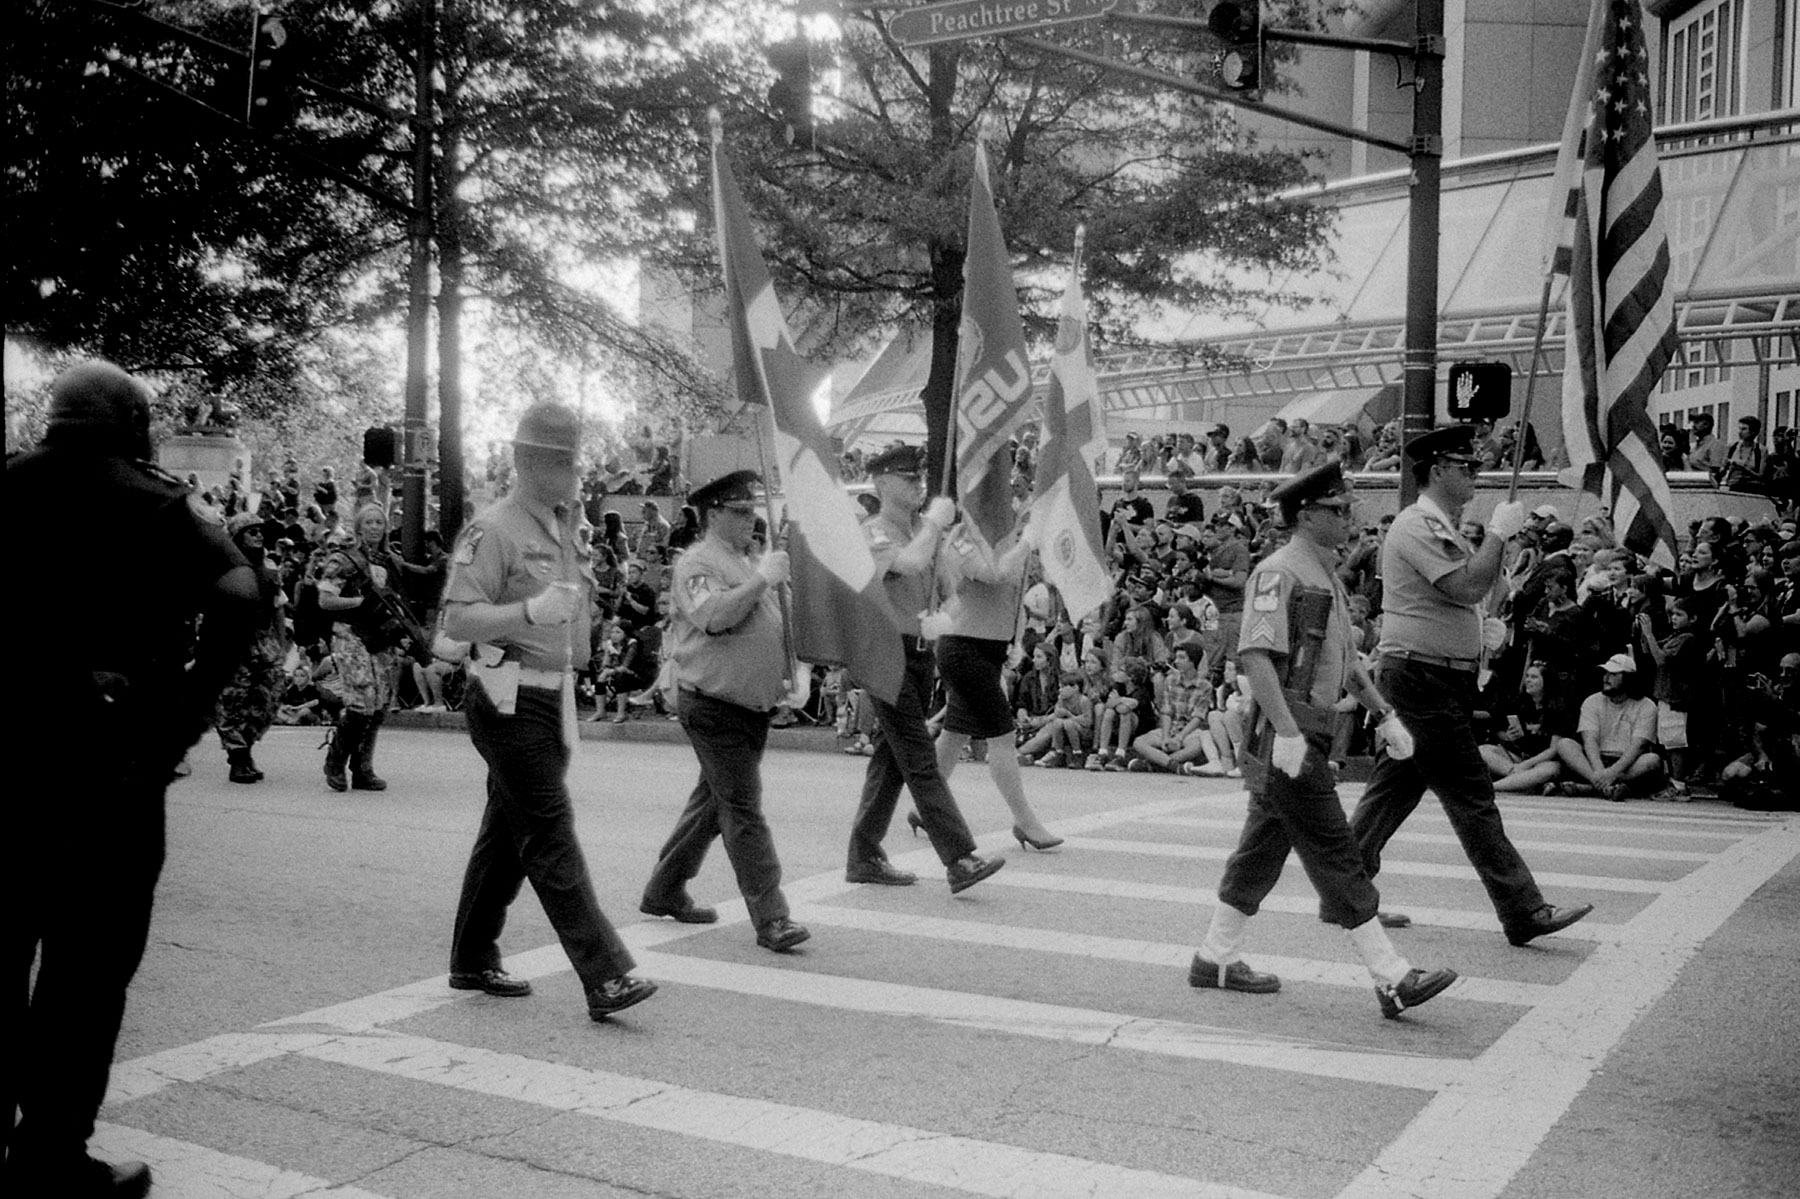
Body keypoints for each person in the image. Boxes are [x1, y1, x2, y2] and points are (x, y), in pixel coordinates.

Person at [8, 361, 257, 1198]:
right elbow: (240, 590)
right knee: (87, 972)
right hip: (109, 770)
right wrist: (185, 711)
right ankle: (48, 1156)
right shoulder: (156, 504)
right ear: (134, 425)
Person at [1190, 461, 1458, 1019]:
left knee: (1261, 849)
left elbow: (1348, 663)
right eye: (1338, 510)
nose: (1349, 518)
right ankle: (1391, 977)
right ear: (1307, 515)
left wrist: (1384, 715)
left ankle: (1214, 957)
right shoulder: (1278, 572)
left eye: (1348, 508)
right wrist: (1286, 732)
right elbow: (1255, 656)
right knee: (1336, 849)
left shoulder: (1327, 575)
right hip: (1288, 735)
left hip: (1309, 731)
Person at [442, 403, 657, 1022]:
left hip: (550, 696)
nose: (569, 472)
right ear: (524, 460)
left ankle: (472, 955)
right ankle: (605, 974)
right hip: (505, 694)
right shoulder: (494, 529)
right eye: (556, 460)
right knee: (549, 831)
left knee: (508, 835)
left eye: (571, 459)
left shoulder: (564, 530)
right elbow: (458, 618)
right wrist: (528, 613)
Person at [1349, 425, 1595, 947]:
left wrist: (1500, 561)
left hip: (1435, 676)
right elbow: (1464, 585)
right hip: (1421, 676)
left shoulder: (1446, 527)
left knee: (1395, 789)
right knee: (1470, 793)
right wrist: (1501, 537)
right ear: (1437, 470)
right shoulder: (1418, 524)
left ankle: (1344, 888)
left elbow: (1482, 591)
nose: (1476, 475)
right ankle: (1523, 909)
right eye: (1467, 466)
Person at [639, 471, 809, 952]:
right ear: (713, 514)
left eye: (751, 509)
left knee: (714, 804)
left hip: (749, 705)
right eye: (739, 511)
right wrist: (761, 581)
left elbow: (778, 626)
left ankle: (664, 889)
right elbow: (713, 616)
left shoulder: (748, 559)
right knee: (742, 808)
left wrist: (795, 673)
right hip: (713, 703)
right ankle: (771, 917)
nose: (751, 518)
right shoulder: (698, 562)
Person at [846, 444, 1005, 893]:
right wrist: (935, 523)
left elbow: (954, 592)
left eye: (919, 477)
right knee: (919, 758)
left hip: (919, 653)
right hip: (884, 653)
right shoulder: (873, 531)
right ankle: (959, 857)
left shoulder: (924, 531)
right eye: (906, 478)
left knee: (891, 761)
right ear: (879, 484)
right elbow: (908, 562)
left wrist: (945, 619)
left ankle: (863, 855)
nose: (917, 484)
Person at [927, 489, 1063, 851]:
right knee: (1001, 736)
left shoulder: (1005, 545)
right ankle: (1026, 822)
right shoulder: (959, 543)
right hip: (963, 647)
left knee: (954, 733)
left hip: (989, 649)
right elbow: (993, 575)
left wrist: (1015, 641)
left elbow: (1014, 599)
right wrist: (1024, 545)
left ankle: (928, 808)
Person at [314, 504, 405, 792]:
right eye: (369, 522)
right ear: (359, 527)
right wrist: (359, 603)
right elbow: (325, 600)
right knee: (360, 704)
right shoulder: (343, 560)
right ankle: (335, 760)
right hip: (350, 634)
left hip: (380, 638)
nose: (375, 527)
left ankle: (362, 768)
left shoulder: (389, 562)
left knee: (378, 705)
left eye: (380, 522)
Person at [214, 512, 289, 783]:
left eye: (260, 531)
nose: (258, 535)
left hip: (263, 639)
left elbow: (278, 609)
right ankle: (238, 759)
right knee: (233, 701)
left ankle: (245, 747)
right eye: (251, 531)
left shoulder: (270, 569)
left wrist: (280, 646)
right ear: (237, 537)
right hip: (232, 639)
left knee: (269, 696)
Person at [1552, 654, 1664, 800]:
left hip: (1628, 763)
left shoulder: (1647, 705)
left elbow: (1639, 746)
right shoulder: (1592, 701)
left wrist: (1612, 772)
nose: (1606, 678)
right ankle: (1603, 787)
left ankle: (1592, 789)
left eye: (1613, 674)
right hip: (1596, 761)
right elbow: (1589, 741)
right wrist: (1600, 773)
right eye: (1606, 673)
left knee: (1652, 760)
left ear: (1628, 677)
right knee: (1564, 745)